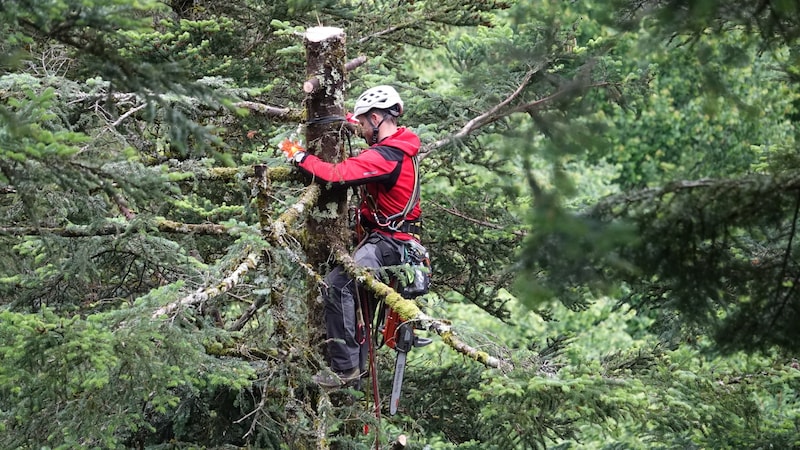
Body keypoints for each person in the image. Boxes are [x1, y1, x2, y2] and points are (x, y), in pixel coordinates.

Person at [282, 85, 423, 388]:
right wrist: (344, 118)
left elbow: (334, 175)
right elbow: (360, 132)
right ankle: (356, 369)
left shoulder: (387, 155)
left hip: (388, 243)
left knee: (339, 285)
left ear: (375, 118)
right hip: (389, 240)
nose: (359, 130)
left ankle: (344, 369)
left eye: (362, 123)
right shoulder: (398, 144)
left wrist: (297, 155)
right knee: (356, 298)